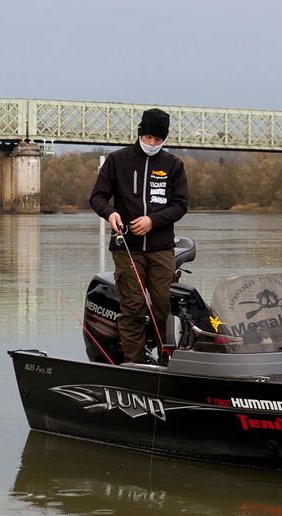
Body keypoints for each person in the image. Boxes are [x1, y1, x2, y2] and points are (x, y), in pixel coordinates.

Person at [89, 108, 189, 364]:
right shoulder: (117, 160)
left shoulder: (173, 165)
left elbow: (180, 205)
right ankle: (134, 365)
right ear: (140, 134)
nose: (152, 144)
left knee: (165, 308)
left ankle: (169, 362)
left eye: (158, 140)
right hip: (127, 248)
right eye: (148, 138)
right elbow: (97, 197)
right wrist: (109, 213)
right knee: (132, 308)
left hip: (161, 248)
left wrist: (152, 221)